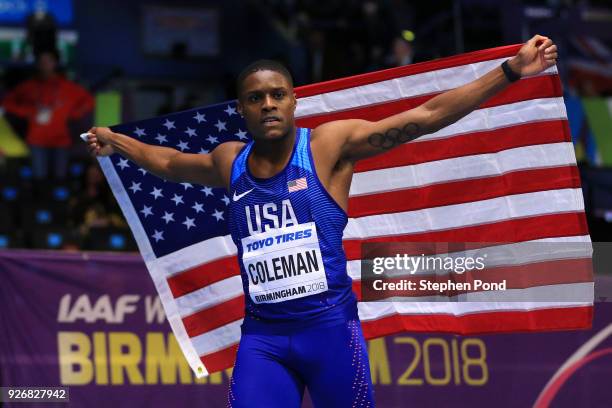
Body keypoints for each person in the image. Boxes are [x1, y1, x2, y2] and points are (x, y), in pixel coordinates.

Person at [86, 35, 557, 407]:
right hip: (263, 340)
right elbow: (168, 162)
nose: (268, 104)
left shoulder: (327, 148)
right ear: (241, 109)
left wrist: (511, 71)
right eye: (255, 98)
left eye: (277, 95)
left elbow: (427, 115)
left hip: (330, 333)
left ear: (294, 102)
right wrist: (116, 141)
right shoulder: (230, 161)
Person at [3, 49, 94, 180]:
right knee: (39, 178)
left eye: (48, 61)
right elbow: (7, 102)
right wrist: (26, 111)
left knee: (60, 179)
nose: (45, 64)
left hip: (60, 139)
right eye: (41, 61)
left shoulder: (67, 86)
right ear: (37, 64)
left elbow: (89, 100)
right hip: (36, 140)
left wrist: (74, 114)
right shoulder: (29, 86)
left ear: (55, 63)